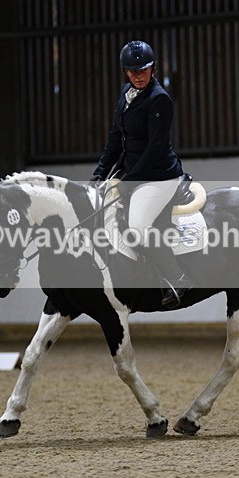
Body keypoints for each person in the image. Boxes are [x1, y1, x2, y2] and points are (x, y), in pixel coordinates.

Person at [91, 40, 193, 308]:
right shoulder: (126, 93)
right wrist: (100, 173)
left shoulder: (159, 99)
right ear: (125, 71)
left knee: (137, 226)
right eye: (133, 71)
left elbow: (155, 148)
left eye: (143, 70)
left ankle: (177, 278)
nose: (138, 76)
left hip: (159, 176)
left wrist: (129, 182)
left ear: (153, 69)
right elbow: (116, 136)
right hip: (133, 171)